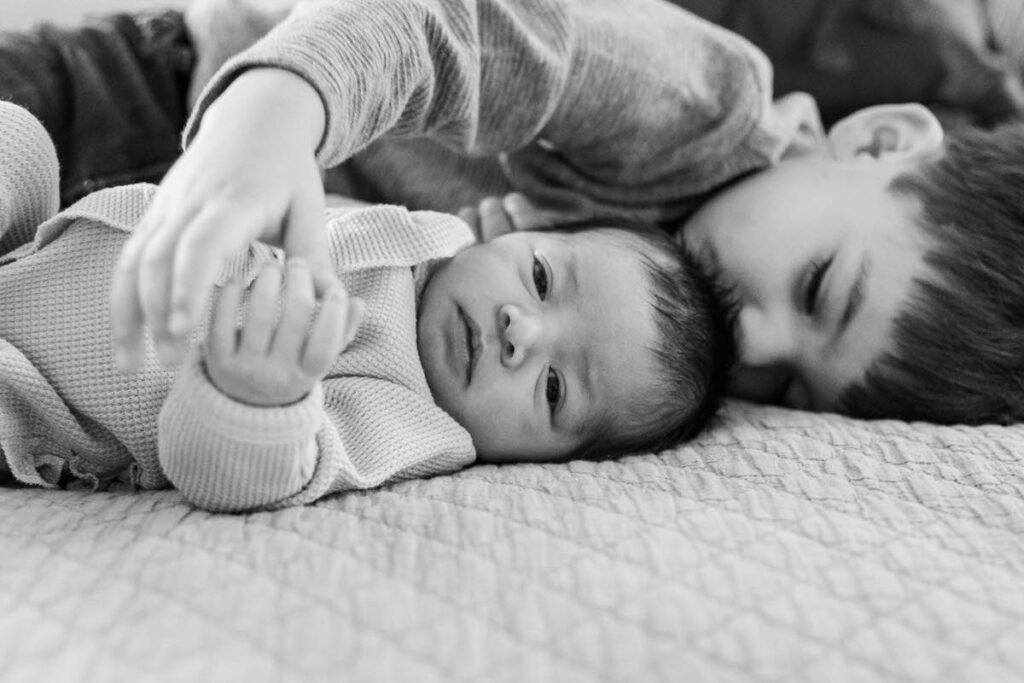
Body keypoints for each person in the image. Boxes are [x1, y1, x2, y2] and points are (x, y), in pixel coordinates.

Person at [0, 100, 729, 511]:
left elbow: (243, 474)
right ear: (524, 231)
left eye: (554, 386)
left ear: (554, 457)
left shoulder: (416, 421)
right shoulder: (427, 237)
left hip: (30, 393)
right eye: (540, 278)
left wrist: (257, 400)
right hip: (40, 243)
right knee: (19, 140)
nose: (521, 331)